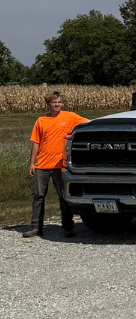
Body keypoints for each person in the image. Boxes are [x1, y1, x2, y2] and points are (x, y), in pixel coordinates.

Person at [25, 92, 88, 238]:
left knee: (63, 197)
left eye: (59, 102)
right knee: (38, 196)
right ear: (48, 104)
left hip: (61, 165)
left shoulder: (70, 117)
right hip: (42, 165)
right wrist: (32, 163)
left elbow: (87, 123)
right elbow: (36, 143)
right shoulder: (40, 121)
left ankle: (68, 227)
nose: (57, 104)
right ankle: (36, 227)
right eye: (54, 102)